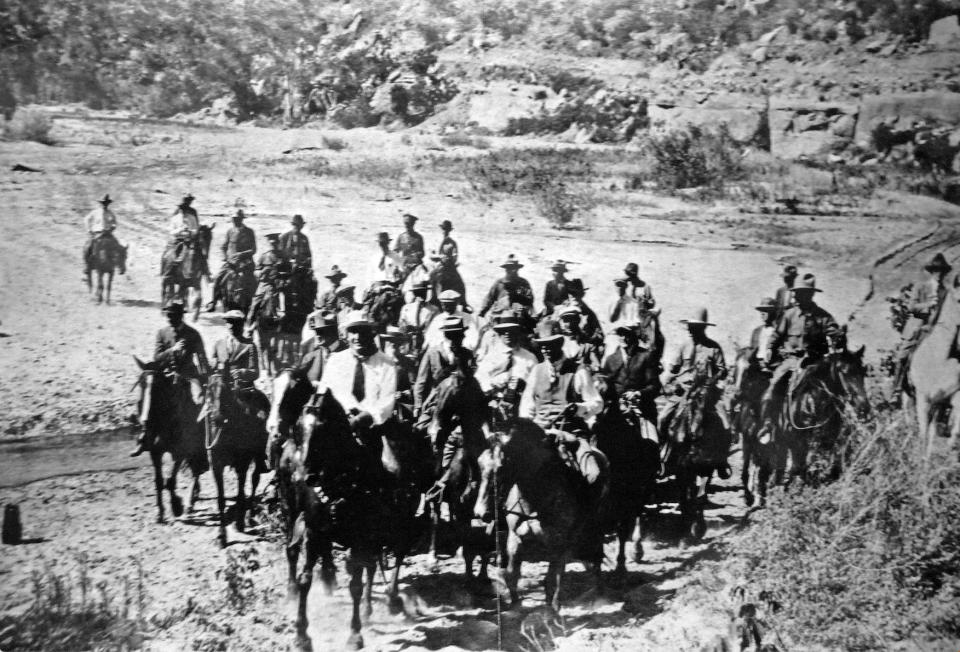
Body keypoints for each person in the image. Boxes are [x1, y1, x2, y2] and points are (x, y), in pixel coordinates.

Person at [519, 320, 605, 484]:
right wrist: (531, 425)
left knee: (594, 475)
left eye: (550, 344)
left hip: (571, 434)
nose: (545, 350)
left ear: (560, 343)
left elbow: (597, 403)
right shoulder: (537, 371)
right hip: (540, 435)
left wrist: (578, 408)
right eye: (542, 345)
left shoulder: (578, 371)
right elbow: (526, 407)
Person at [759, 274, 840, 430]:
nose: (796, 296)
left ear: (811, 294)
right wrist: (770, 348)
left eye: (802, 292)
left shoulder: (823, 316)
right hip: (791, 362)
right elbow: (777, 335)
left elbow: (834, 331)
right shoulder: (789, 315)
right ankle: (768, 423)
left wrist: (837, 336)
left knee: (835, 389)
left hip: (816, 363)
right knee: (773, 386)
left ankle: (838, 429)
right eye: (796, 292)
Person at [130, 300, 210, 456]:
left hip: (188, 377)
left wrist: (205, 379)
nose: (169, 318)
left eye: (172, 315)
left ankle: (199, 439)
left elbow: (202, 360)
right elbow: (157, 357)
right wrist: (172, 350)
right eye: (167, 315)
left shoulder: (193, 334)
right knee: (149, 387)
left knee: (199, 402)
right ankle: (145, 433)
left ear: (181, 316)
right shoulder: (162, 333)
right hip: (166, 375)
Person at [659, 308, 728, 466]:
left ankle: (721, 460)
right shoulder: (683, 346)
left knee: (726, 424)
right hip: (683, 391)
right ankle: (663, 454)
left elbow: (722, 370)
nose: (690, 330)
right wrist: (667, 383)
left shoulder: (713, 347)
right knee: (662, 418)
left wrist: (714, 381)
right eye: (689, 326)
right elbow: (673, 369)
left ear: (703, 328)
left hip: (707, 392)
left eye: (694, 327)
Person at [318, 311, 397, 431]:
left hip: (371, 428)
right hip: (337, 426)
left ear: (372, 334)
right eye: (353, 332)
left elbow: (386, 403)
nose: (358, 337)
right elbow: (323, 393)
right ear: (346, 335)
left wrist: (360, 419)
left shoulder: (387, 364)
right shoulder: (335, 361)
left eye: (363, 332)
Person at [894, 253, 952, 390]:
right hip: (918, 327)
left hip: (937, 328)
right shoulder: (921, 287)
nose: (939, 274)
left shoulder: (946, 291)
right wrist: (928, 304)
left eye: (942, 271)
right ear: (931, 272)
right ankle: (896, 389)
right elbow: (911, 307)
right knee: (902, 356)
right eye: (936, 271)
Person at [599, 323, 661, 425]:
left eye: (626, 334)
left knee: (650, 438)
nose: (622, 338)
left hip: (642, 409)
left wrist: (638, 393)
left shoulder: (645, 356)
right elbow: (605, 387)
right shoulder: (610, 359)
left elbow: (655, 386)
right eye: (620, 334)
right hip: (615, 409)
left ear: (634, 336)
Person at [414, 316, 477, 416]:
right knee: (422, 427)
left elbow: (472, 379)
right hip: (437, 400)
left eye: (460, 335)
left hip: (463, 402)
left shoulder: (467, 354)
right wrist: (418, 405)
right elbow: (421, 381)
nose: (462, 337)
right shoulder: (433, 353)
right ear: (447, 335)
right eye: (458, 335)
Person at [475, 313, 539, 399]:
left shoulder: (529, 358)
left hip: (522, 400)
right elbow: (479, 378)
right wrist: (491, 391)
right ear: (499, 334)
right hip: (496, 400)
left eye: (511, 330)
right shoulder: (491, 357)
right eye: (503, 331)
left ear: (517, 332)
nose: (507, 334)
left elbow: (537, 383)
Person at [208, 210, 256, 311]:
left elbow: (254, 249)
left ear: (241, 219)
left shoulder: (249, 232)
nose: (234, 221)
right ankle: (213, 302)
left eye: (237, 219)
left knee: (253, 282)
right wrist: (225, 257)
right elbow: (223, 246)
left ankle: (255, 304)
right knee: (218, 279)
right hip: (231, 263)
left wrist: (242, 254)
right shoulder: (230, 231)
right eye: (233, 219)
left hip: (245, 262)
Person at [243, 233, 285, 334]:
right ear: (269, 244)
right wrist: (260, 273)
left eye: (275, 243)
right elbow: (256, 270)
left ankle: (279, 320)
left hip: (276, 285)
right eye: (271, 244)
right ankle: (248, 327)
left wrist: (281, 275)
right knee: (254, 305)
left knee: (278, 303)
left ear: (278, 243)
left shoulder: (282, 256)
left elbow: (288, 270)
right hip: (263, 285)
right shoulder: (264, 256)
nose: (273, 246)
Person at [478, 254, 535, 318]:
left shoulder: (523, 283)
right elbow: (489, 298)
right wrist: (482, 311)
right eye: (509, 268)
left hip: (519, 315)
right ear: (506, 269)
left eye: (514, 268)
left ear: (517, 269)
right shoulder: (499, 283)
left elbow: (530, 300)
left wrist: (519, 300)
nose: (512, 271)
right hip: (500, 315)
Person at [297, 310, 344, 383]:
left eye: (320, 331)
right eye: (315, 331)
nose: (317, 336)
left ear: (332, 331)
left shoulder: (347, 354)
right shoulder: (309, 358)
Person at [380, 326, 417, 413]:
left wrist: (403, 394)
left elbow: (414, 386)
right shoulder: (380, 363)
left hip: (402, 404)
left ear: (399, 344)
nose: (392, 345)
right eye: (389, 342)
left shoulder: (407, 363)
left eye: (394, 343)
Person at [83, 194, 120, 278]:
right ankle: (86, 265)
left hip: (107, 234)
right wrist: (89, 230)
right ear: (100, 204)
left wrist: (112, 227)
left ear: (108, 204)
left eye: (106, 203)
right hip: (97, 233)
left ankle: (118, 265)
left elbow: (115, 223)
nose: (105, 205)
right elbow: (86, 219)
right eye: (103, 203)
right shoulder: (95, 212)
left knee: (118, 246)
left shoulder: (110, 213)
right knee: (88, 246)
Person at [398, 280, 440, 353]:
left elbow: (437, 328)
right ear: (414, 294)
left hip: (426, 343)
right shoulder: (406, 308)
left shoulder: (434, 310)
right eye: (418, 293)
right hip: (409, 343)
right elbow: (401, 325)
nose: (421, 295)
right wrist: (406, 328)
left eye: (423, 292)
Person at [558, 305, 602, 372]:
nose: (569, 324)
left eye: (572, 320)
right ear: (561, 323)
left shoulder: (588, 343)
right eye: (566, 320)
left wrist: (587, 368)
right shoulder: (558, 342)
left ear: (577, 321)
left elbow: (596, 365)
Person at [394, 213, 425, 277]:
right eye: (405, 224)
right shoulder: (401, 237)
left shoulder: (418, 237)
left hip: (417, 266)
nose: (407, 226)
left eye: (409, 224)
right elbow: (395, 252)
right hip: (405, 266)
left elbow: (423, 253)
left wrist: (417, 255)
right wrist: (396, 265)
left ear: (413, 224)